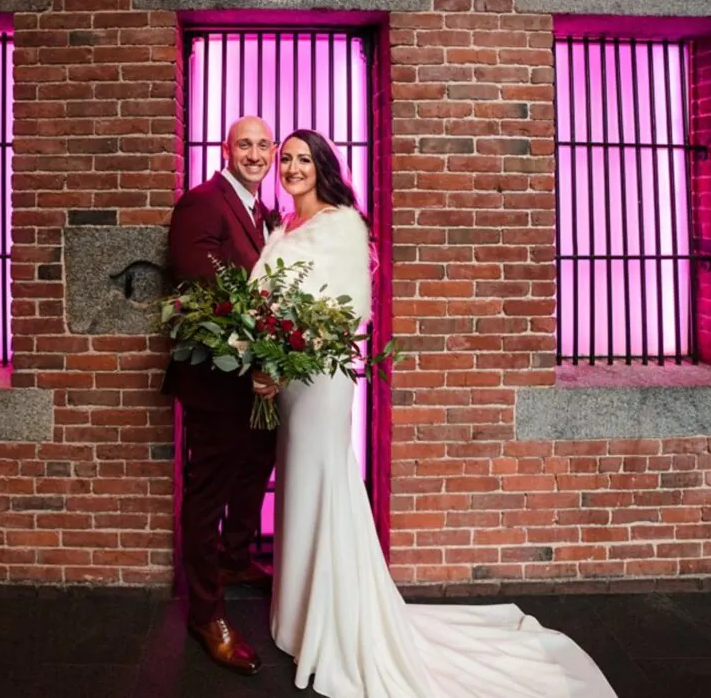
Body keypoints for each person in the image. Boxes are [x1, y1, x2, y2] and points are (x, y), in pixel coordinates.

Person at [251, 129, 618, 698]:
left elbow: (344, 312)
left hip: (318, 381)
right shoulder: (284, 226)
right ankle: (300, 617)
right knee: (299, 488)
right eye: (287, 160)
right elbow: (269, 298)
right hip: (288, 380)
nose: (293, 168)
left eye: (304, 159)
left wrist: (292, 350)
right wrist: (268, 357)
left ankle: (338, 621)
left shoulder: (342, 224)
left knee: (326, 485)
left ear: (323, 167)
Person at [162, 116, 280, 675]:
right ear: (225, 149)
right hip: (216, 379)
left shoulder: (265, 212)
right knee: (208, 489)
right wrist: (256, 327)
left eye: (263, 145)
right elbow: (194, 282)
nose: (255, 154)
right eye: (245, 144)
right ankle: (206, 613)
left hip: (258, 377)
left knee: (256, 466)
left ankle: (235, 558)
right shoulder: (201, 202)